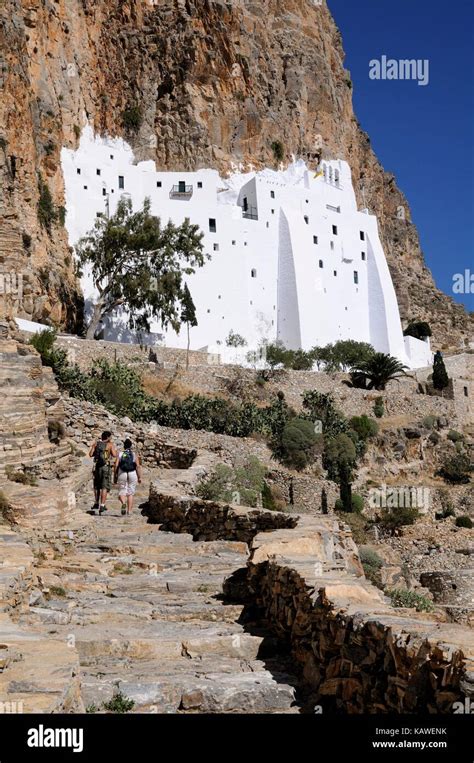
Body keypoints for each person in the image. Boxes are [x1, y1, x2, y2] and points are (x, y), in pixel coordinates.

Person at [88, 431, 117, 515]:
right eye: (110, 437)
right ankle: (102, 505)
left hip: (97, 467)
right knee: (104, 486)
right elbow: (114, 455)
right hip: (105, 467)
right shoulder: (110, 445)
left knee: (97, 486)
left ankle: (96, 502)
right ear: (107, 437)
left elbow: (90, 454)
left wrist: (94, 447)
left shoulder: (96, 444)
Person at [114, 438, 142, 516]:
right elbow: (138, 466)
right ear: (131, 446)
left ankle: (123, 503)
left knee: (122, 490)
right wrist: (139, 477)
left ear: (124, 446)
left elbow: (116, 465)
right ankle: (129, 511)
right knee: (130, 493)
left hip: (122, 472)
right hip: (132, 473)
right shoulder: (134, 454)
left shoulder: (120, 454)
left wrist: (115, 476)